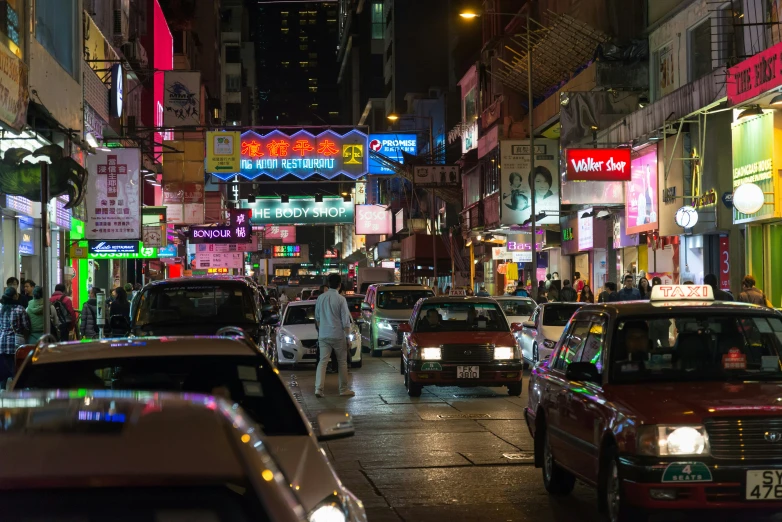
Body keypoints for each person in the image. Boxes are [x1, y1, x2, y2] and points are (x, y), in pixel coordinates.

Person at [314, 274, 354, 398]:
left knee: (322, 362)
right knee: (342, 362)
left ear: (328, 284)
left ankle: (318, 389)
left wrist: (322, 330)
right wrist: (348, 337)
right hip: (338, 335)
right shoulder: (341, 299)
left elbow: (317, 318)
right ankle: (343, 389)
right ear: (339, 285)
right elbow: (345, 321)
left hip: (323, 334)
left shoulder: (320, 298)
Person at [0, 287, 30, 384]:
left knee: (3, 368)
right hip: (15, 343)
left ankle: (2, 390)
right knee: (15, 368)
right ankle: (15, 389)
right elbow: (26, 326)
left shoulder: (1, 308)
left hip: (2, 342)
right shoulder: (20, 309)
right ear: (14, 296)